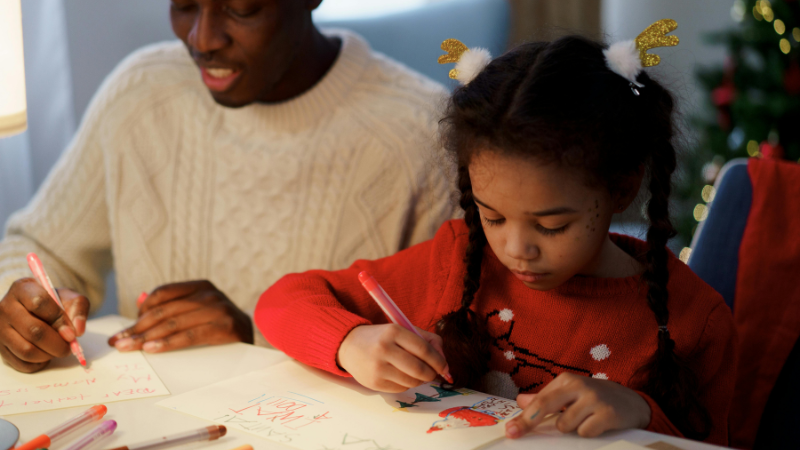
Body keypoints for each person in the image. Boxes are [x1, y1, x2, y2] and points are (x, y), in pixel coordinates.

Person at [255, 33, 737, 445]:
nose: (516, 250)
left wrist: (642, 415)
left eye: (551, 226)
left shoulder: (696, 320)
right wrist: (351, 342)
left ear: (622, 187)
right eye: (493, 217)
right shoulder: (461, 257)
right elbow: (280, 303)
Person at [0, 0, 454, 373]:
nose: (202, 39)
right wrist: (27, 305)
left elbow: (461, 356)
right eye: (184, 5)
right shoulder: (140, 93)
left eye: (242, 9)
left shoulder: (423, 134)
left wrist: (253, 344)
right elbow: (40, 246)